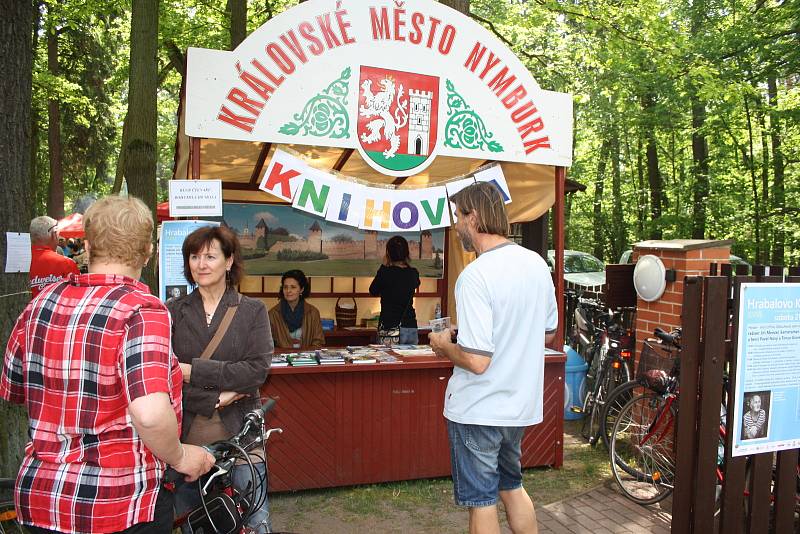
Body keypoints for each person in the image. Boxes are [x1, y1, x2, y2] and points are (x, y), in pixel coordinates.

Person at [1, 195, 215, 534]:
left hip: (43, 499)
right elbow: (148, 411)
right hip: (118, 504)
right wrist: (180, 457)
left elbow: (13, 387)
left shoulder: (41, 302)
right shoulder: (142, 311)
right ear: (148, 250)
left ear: (88, 245)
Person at [428, 182, 558, 534]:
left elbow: (477, 360)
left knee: (481, 503)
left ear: (473, 217)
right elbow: (546, 333)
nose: (456, 225)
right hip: (517, 407)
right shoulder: (535, 264)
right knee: (512, 488)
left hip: (479, 408)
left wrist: (443, 344)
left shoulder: (475, 275)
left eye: (458, 216)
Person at [168, 225, 274, 533]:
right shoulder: (172, 311)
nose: (201, 264)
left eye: (210, 256)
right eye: (194, 256)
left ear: (229, 262)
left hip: (241, 435)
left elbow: (256, 371)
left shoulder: (252, 310)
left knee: (255, 519)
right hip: (187, 437)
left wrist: (192, 371)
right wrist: (217, 395)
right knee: (194, 523)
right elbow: (165, 375)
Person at [369, 235, 421, 345]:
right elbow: (415, 282)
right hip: (409, 326)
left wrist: (383, 266)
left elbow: (373, 290)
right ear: (406, 253)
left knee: (389, 361)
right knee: (409, 361)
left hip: (389, 327)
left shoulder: (385, 273)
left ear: (388, 254)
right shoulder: (413, 273)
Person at [268, 269, 325, 348]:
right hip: (282, 358)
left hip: (307, 358)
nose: (288, 291)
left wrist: (305, 356)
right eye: (285, 287)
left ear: (301, 289)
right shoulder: (273, 314)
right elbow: (268, 344)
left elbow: (318, 341)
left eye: (293, 287)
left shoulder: (313, 312)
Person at [27, 215, 79, 298]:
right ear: (54, 235)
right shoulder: (67, 263)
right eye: (58, 234)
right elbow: (76, 296)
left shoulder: (19, 262)